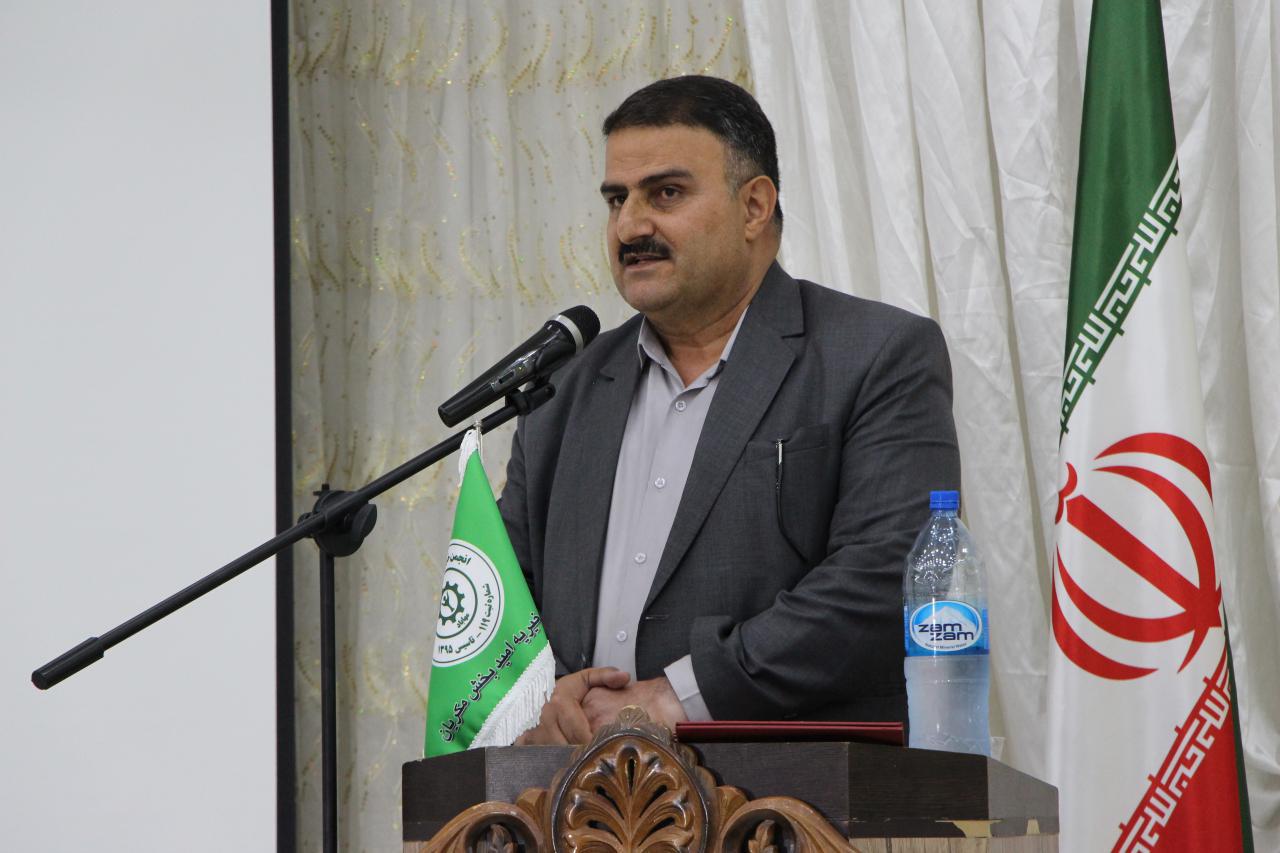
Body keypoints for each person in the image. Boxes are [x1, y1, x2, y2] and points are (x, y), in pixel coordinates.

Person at [499, 76, 960, 745]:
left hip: (794, 790)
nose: (630, 226)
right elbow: (504, 610)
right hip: (578, 796)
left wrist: (679, 698)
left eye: (666, 193)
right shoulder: (563, 390)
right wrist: (544, 705)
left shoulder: (876, 354)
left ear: (754, 206)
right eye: (617, 199)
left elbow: (888, 575)